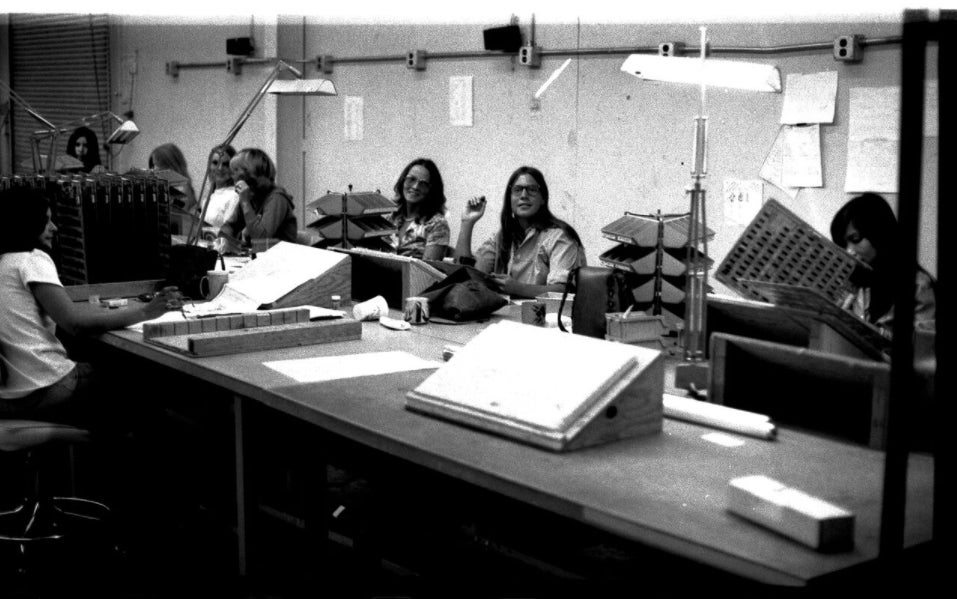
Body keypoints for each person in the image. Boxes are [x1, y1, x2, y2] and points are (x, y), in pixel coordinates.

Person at [0, 186, 183, 432]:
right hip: (45, 385)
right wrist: (146, 312)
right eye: (46, 221)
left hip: (10, 395)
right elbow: (74, 323)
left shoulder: (4, 262)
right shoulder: (30, 260)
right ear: (27, 223)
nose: (55, 227)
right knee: (144, 382)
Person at [455, 165, 586, 299]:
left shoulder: (560, 237)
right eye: (517, 190)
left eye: (532, 190)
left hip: (546, 317)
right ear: (509, 199)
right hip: (505, 316)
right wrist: (467, 223)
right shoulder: (501, 237)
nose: (524, 195)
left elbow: (562, 291)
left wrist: (517, 288)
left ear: (543, 199)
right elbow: (467, 278)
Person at [829, 192, 936, 338]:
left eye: (855, 239)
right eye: (843, 244)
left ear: (879, 234)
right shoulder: (856, 280)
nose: (849, 251)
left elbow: (923, 349)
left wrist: (873, 333)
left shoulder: (918, 285)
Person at [216, 147, 297, 251]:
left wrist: (245, 202)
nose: (233, 177)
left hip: (281, 259)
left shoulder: (277, 198)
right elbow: (230, 226)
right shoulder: (252, 196)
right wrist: (224, 243)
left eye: (235, 172)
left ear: (248, 174)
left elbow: (261, 238)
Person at [390, 158, 451, 260]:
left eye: (423, 184)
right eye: (411, 179)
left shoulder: (437, 224)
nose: (415, 186)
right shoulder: (390, 217)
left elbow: (427, 271)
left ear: (431, 190)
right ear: (403, 181)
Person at [199, 144, 240, 240]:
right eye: (215, 163)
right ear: (209, 165)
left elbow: (228, 235)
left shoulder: (234, 195)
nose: (220, 168)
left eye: (226, 164)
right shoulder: (208, 198)